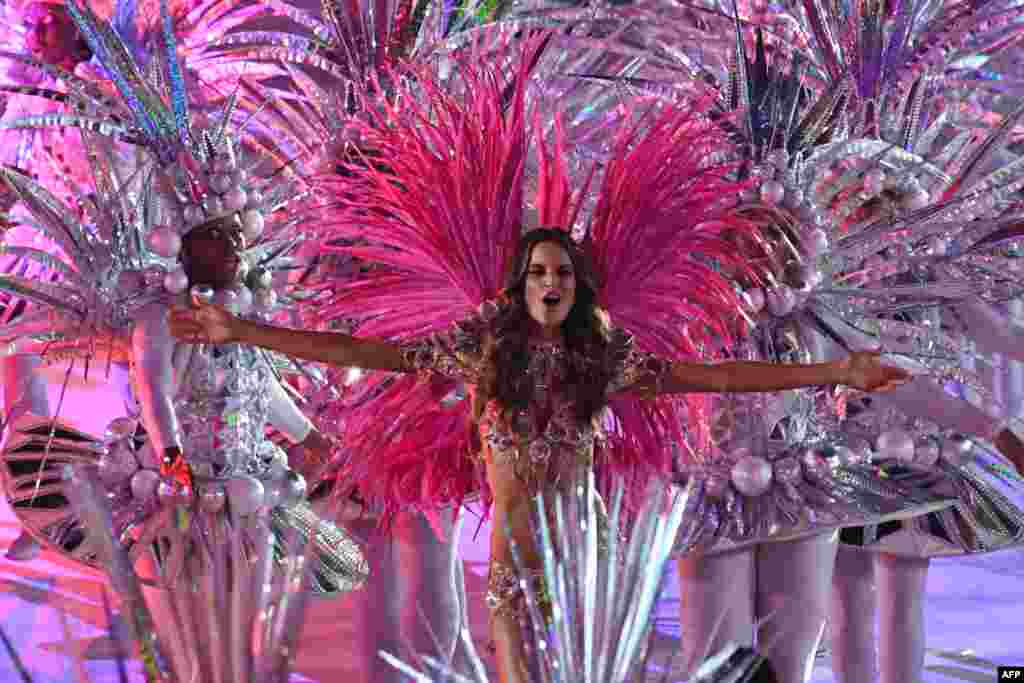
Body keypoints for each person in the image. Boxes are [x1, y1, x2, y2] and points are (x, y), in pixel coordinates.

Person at [169, 225, 909, 682]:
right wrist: (245, 334)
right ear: (520, 285)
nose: (549, 282)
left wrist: (837, 372)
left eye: (560, 272)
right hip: (515, 572)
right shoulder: (483, 349)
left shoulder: (602, 355)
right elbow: (365, 350)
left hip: (586, 571)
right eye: (537, 272)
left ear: (575, 285)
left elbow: (714, 375)